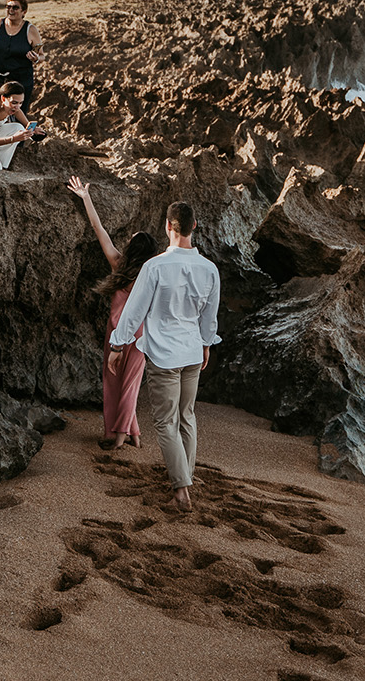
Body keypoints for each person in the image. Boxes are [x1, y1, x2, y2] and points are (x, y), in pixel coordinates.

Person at [108, 201, 221, 511]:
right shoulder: (210, 269)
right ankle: (186, 476)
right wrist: (207, 344)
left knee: (165, 422)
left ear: (168, 227)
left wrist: (118, 346)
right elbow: (210, 318)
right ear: (194, 227)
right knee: (187, 417)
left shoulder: (155, 266)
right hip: (192, 352)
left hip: (164, 355)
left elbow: (134, 312)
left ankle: (182, 491)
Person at [67, 176, 161, 450]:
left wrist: (87, 198)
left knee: (114, 382)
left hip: (118, 332)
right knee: (130, 384)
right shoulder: (152, 273)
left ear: (132, 249)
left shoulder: (119, 265)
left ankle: (117, 435)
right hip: (142, 333)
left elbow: (99, 229)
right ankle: (133, 434)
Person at [0, 0, 45, 105]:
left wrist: (36, 58)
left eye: (15, 7)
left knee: (16, 117)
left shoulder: (31, 30)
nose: (11, 10)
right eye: (8, 7)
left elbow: (42, 55)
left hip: (20, 83)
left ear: (24, 11)